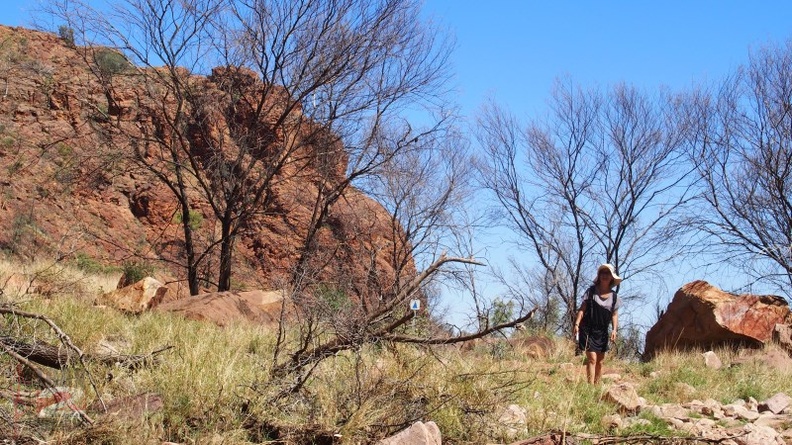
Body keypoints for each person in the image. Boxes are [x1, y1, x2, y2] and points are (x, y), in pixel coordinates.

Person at [573, 263, 621, 384]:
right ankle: (589, 387)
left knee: (600, 361)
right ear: (599, 276)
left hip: (602, 332)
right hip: (588, 330)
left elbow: (614, 314)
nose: (605, 275)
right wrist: (577, 324)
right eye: (602, 273)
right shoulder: (591, 292)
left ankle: (596, 386)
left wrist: (614, 330)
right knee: (592, 359)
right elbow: (582, 309)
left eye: (608, 273)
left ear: (612, 277)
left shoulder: (614, 297)